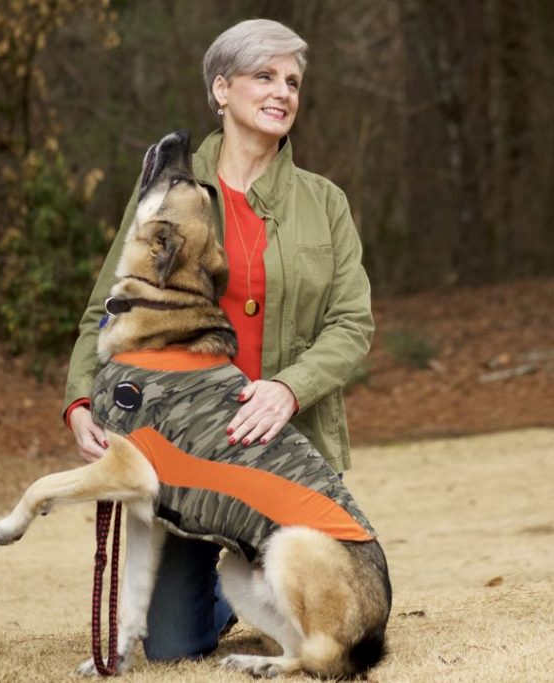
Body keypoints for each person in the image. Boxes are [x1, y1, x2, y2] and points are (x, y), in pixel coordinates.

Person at [60, 18, 374, 661]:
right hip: (185, 449)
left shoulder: (326, 202)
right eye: (265, 76)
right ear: (221, 89)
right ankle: (231, 592)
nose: (282, 91)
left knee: (325, 601)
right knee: (174, 646)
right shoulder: (167, 194)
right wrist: (79, 399)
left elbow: (353, 324)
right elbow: (108, 303)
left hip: (286, 450)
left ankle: (261, 572)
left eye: (292, 81)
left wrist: (290, 389)